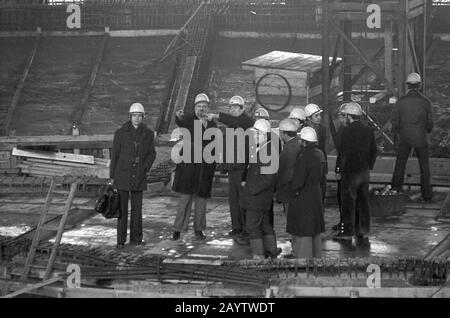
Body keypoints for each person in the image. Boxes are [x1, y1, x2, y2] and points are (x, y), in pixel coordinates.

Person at [207, 96, 254, 240]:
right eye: (231, 107)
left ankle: (247, 229)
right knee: (233, 200)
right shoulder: (232, 125)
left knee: (243, 200)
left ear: (242, 109)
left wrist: (216, 115)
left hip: (242, 168)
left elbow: (236, 121)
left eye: (235, 107)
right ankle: (237, 228)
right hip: (233, 168)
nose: (232, 109)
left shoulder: (247, 121)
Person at [110, 102, 157, 249]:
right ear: (130, 116)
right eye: (134, 116)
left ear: (143, 117)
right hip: (123, 174)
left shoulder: (148, 134)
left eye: (139, 116)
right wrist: (112, 176)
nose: (136, 118)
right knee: (122, 209)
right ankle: (120, 240)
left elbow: (152, 153)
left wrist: (144, 168)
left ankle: (136, 238)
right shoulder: (120, 133)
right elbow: (115, 155)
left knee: (137, 208)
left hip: (139, 174)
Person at [171, 93, 217, 241]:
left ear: (208, 108)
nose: (201, 109)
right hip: (189, 168)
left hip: (204, 168)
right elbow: (181, 122)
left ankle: (199, 229)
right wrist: (178, 117)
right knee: (185, 199)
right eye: (199, 106)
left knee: (201, 201)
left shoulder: (212, 124)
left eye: (204, 106)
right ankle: (178, 229)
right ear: (194, 108)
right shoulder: (190, 120)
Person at [334, 102, 377, 242]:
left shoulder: (346, 131)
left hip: (350, 172)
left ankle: (347, 232)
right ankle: (363, 230)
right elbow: (374, 151)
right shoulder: (368, 130)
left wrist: (338, 169)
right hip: (364, 172)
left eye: (345, 115)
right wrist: (368, 165)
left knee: (348, 202)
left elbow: (344, 152)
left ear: (348, 116)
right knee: (363, 202)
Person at [391, 72, 434, 202]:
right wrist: (425, 131)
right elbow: (430, 123)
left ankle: (395, 190)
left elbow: (395, 121)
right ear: (420, 85)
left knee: (400, 165)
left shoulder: (401, 101)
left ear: (407, 85)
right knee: (424, 167)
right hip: (421, 137)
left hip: (405, 136)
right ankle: (426, 194)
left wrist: (400, 132)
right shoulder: (426, 102)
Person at [240, 119, 279, 259]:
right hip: (261, 197)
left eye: (257, 133)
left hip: (258, 197)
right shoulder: (262, 148)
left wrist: (252, 190)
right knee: (264, 224)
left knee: (251, 226)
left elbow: (269, 178)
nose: (254, 136)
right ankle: (272, 250)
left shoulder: (267, 151)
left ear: (265, 135)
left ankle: (258, 255)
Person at [287, 127, 325, 259]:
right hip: (315, 195)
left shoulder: (303, 158)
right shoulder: (319, 154)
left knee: (304, 229)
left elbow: (298, 182)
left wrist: (291, 189)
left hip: (303, 197)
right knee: (314, 229)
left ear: (304, 142)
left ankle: (304, 258)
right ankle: (316, 256)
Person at [276, 119, 301, 215]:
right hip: (293, 188)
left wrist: (281, 184)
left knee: (291, 216)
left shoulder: (290, 149)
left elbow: (288, 171)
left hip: (289, 189)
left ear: (285, 134)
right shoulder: (296, 144)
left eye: (280, 132)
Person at [305, 103, 328, 203]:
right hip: (307, 166)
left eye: (320, 115)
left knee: (321, 191)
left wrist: (325, 166)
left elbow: (322, 148)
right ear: (309, 118)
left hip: (320, 164)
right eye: (316, 116)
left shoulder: (322, 129)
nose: (319, 118)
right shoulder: (303, 130)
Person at [332, 104, 348, 231]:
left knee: (344, 198)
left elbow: (341, 152)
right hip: (354, 170)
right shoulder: (359, 130)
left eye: (342, 116)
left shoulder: (344, 131)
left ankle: (345, 224)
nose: (340, 119)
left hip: (345, 169)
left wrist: (338, 169)